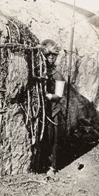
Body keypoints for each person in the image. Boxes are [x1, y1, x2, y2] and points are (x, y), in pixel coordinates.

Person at [40, 39, 66, 177]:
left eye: (53, 56)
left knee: (53, 138)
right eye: (48, 55)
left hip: (53, 110)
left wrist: (48, 96)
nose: (50, 58)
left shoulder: (58, 75)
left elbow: (59, 95)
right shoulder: (39, 72)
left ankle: (52, 166)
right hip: (41, 110)